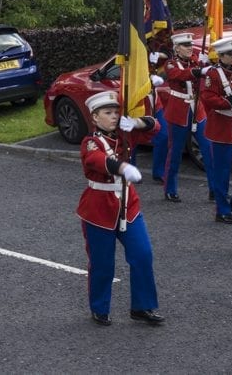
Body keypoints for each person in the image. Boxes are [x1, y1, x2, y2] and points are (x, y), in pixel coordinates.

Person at [78, 91, 164, 326]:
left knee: (142, 254)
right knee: (102, 263)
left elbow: (155, 127)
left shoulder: (125, 135)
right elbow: (94, 160)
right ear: (95, 118)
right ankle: (100, 307)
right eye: (108, 113)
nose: (114, 116)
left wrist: (136, 122)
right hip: (99, 208)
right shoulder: (91, 141)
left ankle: (142, 306)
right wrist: (122, 167)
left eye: (116, 112)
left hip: (128, 204)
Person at [161, 32, 206, 202]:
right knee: (175, 152)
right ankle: (170, 188)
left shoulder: (196, 60)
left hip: (197, 109)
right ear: (177, 48)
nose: (189, 48)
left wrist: (205, 63)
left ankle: (215, 189)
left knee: (208, 149)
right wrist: (198, 70)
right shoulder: (171, 65)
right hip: (179, 112)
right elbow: (179, 76)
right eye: (186, 46)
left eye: (190, 45)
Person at [200, 37, 232, 224]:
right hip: (221, 125)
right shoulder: (214, 74)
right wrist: (227, 102)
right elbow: (207, 97)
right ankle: (222, 209)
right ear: (221, 56)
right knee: (222, 171)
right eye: (229, 55)